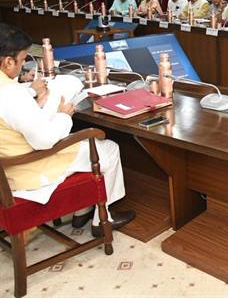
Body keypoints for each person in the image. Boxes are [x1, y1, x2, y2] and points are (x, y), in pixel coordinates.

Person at [0, 23, 135, 236]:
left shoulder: (10, 90)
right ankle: (103, 220)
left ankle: (82, 210)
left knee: (80, 142)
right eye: (23, 59)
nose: (24, 63)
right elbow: (44, 141)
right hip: (26, 170)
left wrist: (32, 95)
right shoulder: (11, 94)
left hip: (7, 165)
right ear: (8, 61)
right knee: (108, 148)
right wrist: (64, 115)